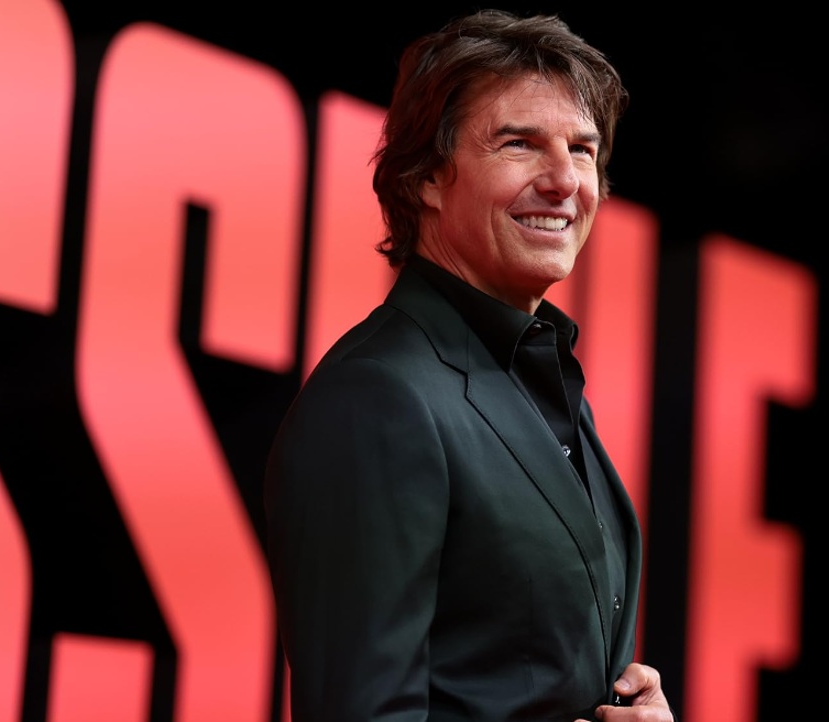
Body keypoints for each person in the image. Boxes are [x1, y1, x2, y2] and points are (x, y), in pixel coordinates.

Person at [264, 9, 674, 721]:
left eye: (582, 150)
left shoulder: (544, 380)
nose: (564, 181)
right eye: (519, 144)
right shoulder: (378, 396)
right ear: (426, 175)